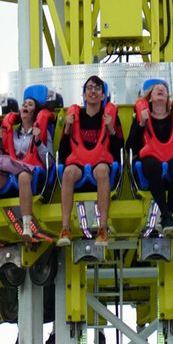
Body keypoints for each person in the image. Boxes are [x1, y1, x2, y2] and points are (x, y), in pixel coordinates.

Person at [57, 75, 124, 247]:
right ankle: (65, 228)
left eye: (97, 88)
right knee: (68, 172)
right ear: (84, 94)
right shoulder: (74, 117)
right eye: (89, 88)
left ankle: (102, 228)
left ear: (103, 95)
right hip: (79, 162)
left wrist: (111, 129)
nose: (92, 91)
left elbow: (119, 149)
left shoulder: (110, 116)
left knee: (102, 170)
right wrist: (67, 129)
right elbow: (64, 153)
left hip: (100, 162)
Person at [0, 92, 52, 244]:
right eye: (24, 104)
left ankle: (27, 227)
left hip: (31, 171)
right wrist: (0, 142)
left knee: (23, 176)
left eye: (30, 104)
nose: (25, 106)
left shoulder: (43, 132)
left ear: (35, 111)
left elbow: (50, 160)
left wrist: (38, 141)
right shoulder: (11, 133)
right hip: (11, 171)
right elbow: (3, 156)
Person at [126, 80, 173, 234]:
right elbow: (130, 147)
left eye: (164, 89)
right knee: (151, 165)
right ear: (150, 98)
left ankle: (167, 213)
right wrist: (140, 124)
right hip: (151, 159)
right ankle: (166, 213)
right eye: (157, 89)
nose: (161, 90)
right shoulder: (141, 117)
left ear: (168, 97)